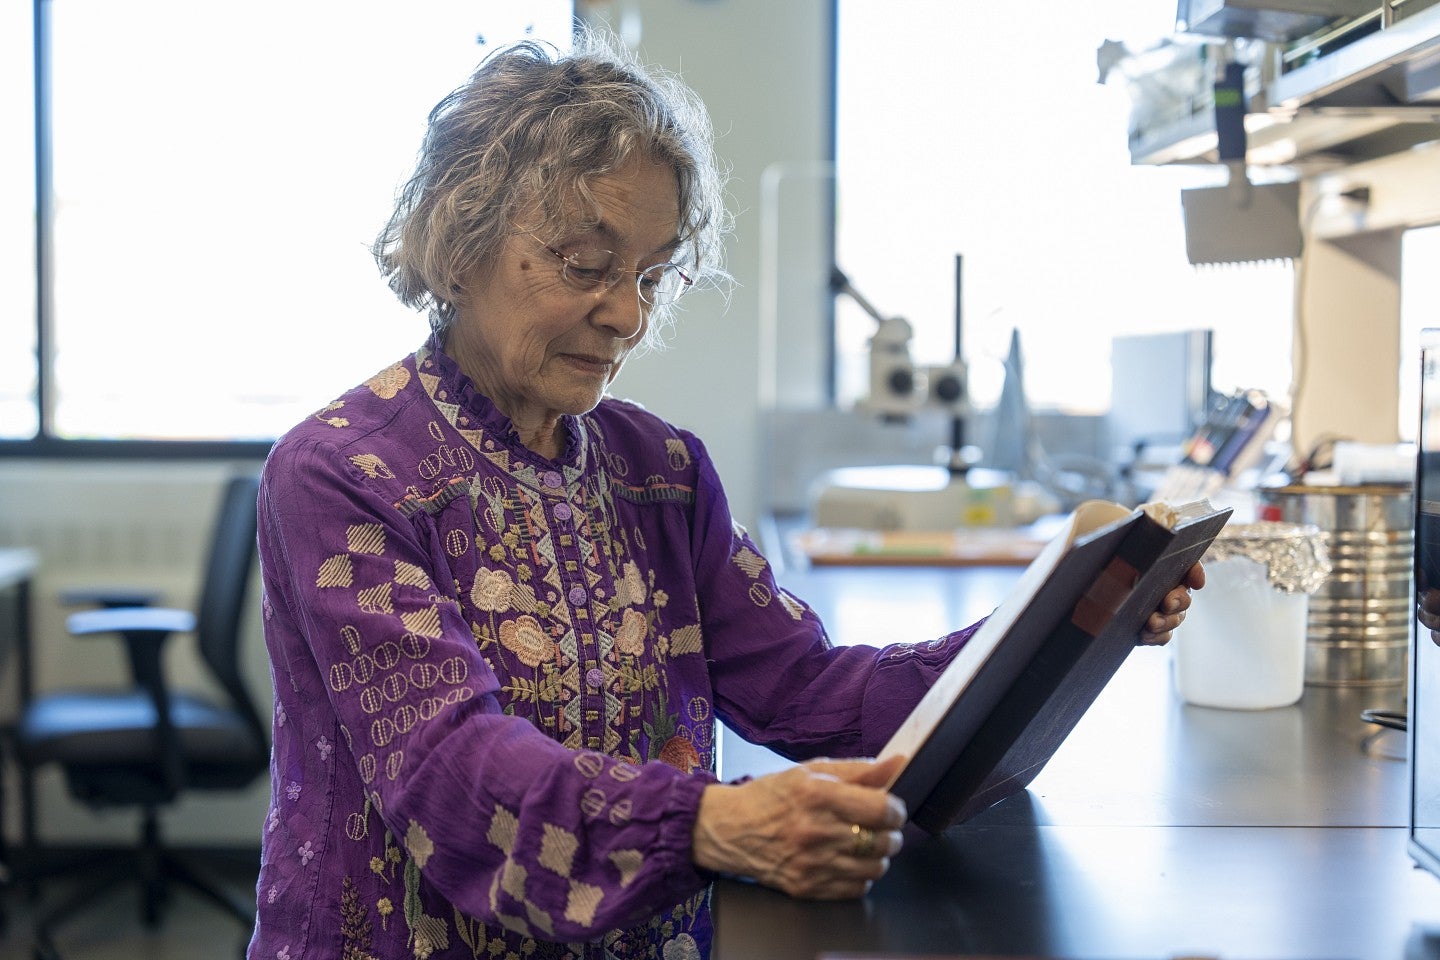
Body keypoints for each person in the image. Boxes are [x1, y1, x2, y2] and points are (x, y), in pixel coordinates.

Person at [248, 30, 1203, 960]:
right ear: (459, 242)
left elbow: (813, 694)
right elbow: (451, 775)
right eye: (586, 266)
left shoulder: (658, 471)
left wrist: (1053, 631)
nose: (626, 315)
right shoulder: (343, 474)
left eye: (652, 275)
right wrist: (713, 822)